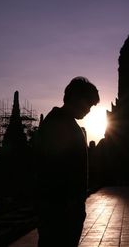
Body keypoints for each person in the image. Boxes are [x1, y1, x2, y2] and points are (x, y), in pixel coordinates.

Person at [35, 77, 99, 246]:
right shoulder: (58, 124)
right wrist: (68, 204)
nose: (89, 110)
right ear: (77, 98)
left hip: (67, 207)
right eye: (89, 104)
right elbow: (52, 170)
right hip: (59, 209)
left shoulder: (66, 123)